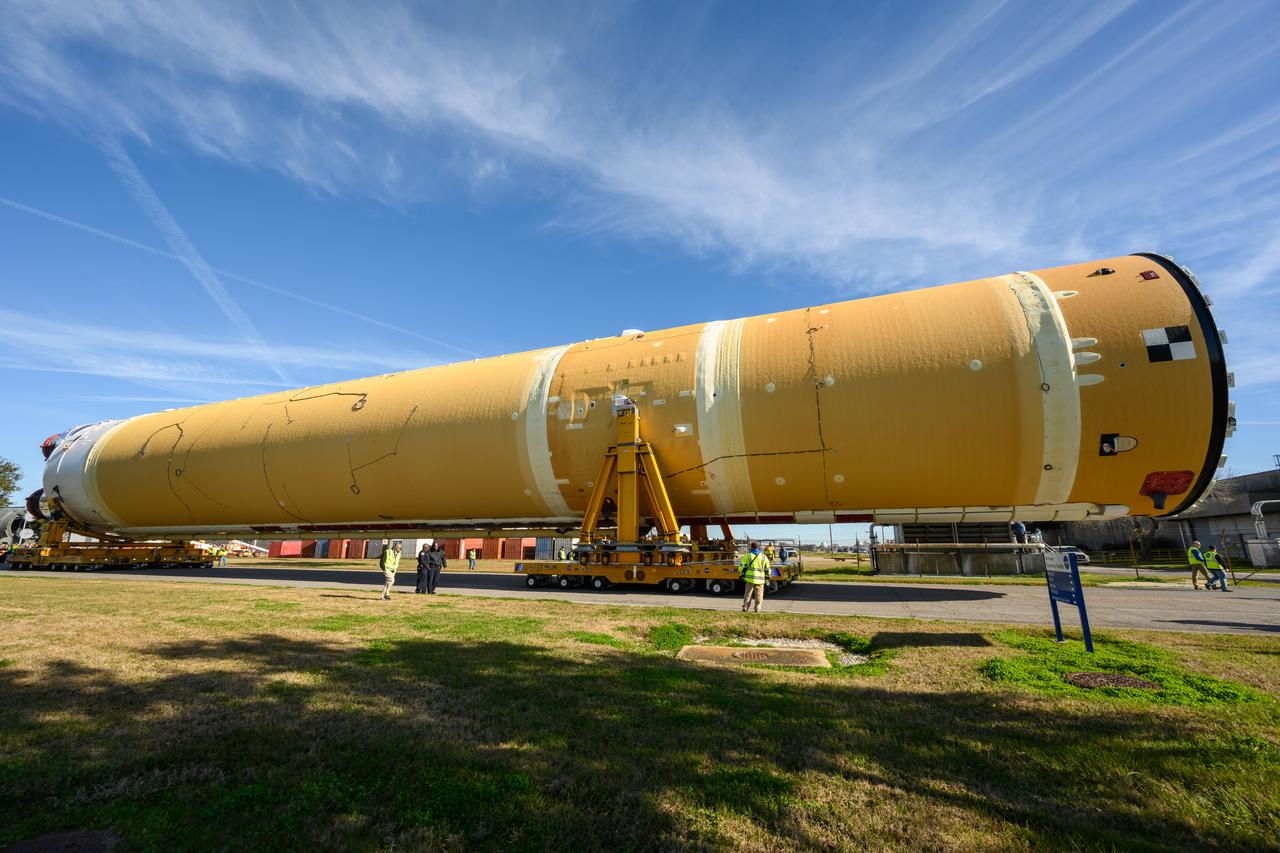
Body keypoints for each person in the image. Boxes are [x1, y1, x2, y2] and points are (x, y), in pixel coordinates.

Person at [739, 541, 771, 613]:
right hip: (760, 580)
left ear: (751, 547)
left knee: (748, 594)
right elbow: (768, 568)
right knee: (759, 595)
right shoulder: (763, 557)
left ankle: (745, 608)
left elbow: (742, 566)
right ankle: (757, 608)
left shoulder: (748, 555)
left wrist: (741, 573)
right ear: (758, 547)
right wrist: (768, 575)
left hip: (750, 579)